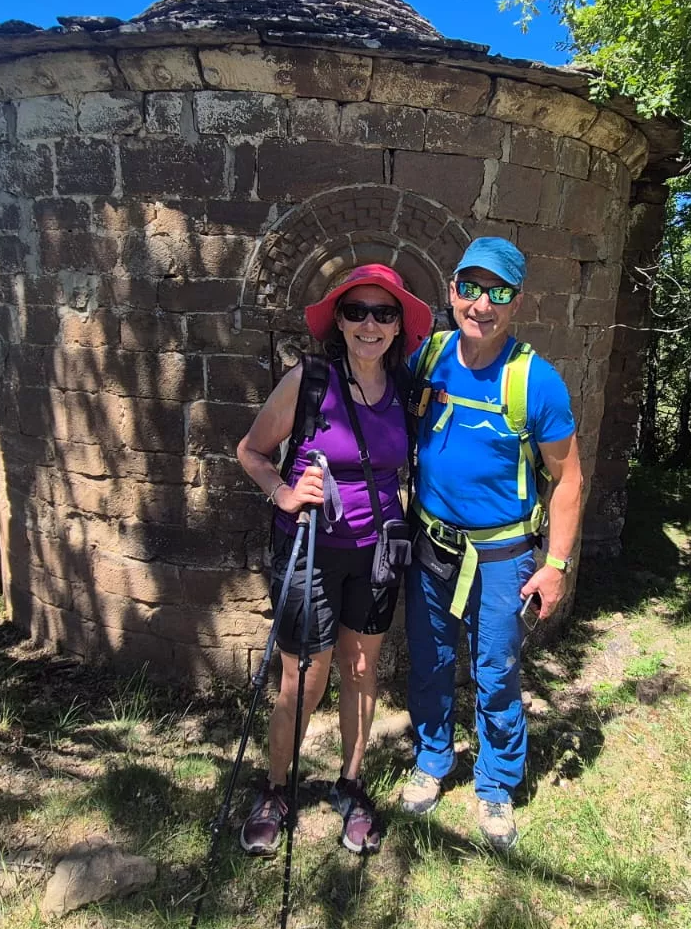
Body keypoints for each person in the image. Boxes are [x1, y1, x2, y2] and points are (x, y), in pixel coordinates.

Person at [234, 263, 433, 855]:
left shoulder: (405, 389)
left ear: (398, 325)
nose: (370, 324)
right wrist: (285, 493)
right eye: (356, 312)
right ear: (339, 323)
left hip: (376, 554)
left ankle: (350, 785)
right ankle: (276, 790)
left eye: (384, 313)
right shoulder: (310, 380)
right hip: (310, 551)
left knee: (362, 671)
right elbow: (251, 450)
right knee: (305, 677)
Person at [400, 237, 583, 851]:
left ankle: (497, 782)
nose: (482, 304)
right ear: (452, 290)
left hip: (503, 555)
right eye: (472, 288)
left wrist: (555, 564)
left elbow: (568, 479)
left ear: (517, 302)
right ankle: (432, 758)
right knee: (429, 660)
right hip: (432, 544)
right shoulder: (428, 357)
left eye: (498, 292)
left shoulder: (535, 381)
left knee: (497, 670)